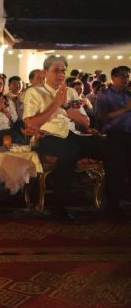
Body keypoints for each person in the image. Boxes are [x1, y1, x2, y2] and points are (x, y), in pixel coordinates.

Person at [22, 55, 127, 221]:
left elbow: (85, 122)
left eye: (63, 71)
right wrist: (55, 104)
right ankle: (59, 208)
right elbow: (31, 123)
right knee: (70, 151)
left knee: (114, 150)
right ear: (45, 72)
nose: (61, 75)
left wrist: (67, 107)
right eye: (56, 71)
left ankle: (113, 206)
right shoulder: (34, 92)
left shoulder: (70, 92)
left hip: (74, 135)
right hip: (48, 136)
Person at [96, 65, 130, 194]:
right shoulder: (104, 96)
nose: (125, 79)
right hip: (114, 135)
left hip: (129, 133)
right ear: (113, 78)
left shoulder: (128, 94)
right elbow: (102, 117)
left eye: (127, 76)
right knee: (116, 169)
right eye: (122, 76)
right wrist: (126, 109)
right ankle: (114, 199)